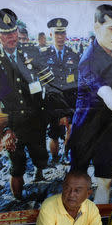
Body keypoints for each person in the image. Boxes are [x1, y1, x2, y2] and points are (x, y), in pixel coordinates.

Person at [68, 4, 112, 204]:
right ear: (97, 28)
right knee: (78, 180)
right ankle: (75, 224)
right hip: (86, 128)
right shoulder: (88, 59)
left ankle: (98, 221)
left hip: (108, 127)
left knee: (105, 179)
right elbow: (104, 90)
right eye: (110, 28)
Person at [0, 8, 48, 200]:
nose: (11, 37)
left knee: (40, 156)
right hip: (11, 122)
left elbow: (46, 85)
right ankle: (18, 200)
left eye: (13, 32)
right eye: (5, 33)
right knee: (17, 164)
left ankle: (40, 172)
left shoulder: (29, 53)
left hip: (34, 119)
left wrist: (45, 115)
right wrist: (4, 131)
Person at [41, 17, 80, 164]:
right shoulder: (44, 55)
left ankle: (66, 154)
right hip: (52, 103)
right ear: (51, 34)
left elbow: (77, 80)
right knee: (54, 134)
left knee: (70, 129)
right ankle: (55, 157)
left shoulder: (73, 54)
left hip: (70, 100)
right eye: (57, 33)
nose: (60, 37)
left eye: (62, 33)